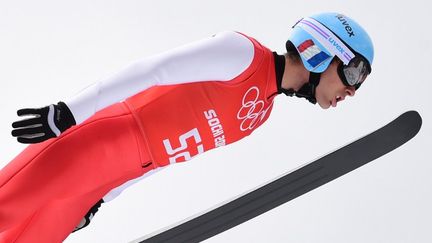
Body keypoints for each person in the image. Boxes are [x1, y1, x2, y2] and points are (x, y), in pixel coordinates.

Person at [0, 12, 374, 242]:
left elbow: (168, 156)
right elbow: (153, 70)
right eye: (353, 72)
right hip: (95, 141)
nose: (351, 90)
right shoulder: (242, 53)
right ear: (323, 50)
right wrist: (69, 112)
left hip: (108, 178)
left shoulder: (259, 114)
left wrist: (102, 198)